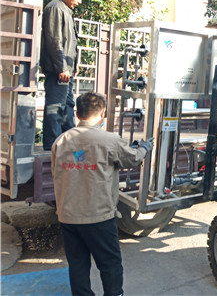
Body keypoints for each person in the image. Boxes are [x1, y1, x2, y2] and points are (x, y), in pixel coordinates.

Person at [51, 92, 154, 296]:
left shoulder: (60, 141)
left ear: (77, 113)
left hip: (68, 216)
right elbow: (132, 159)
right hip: (98, 216)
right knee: (109, 263)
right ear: (102, 114)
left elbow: (57, 173)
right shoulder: (109, 140)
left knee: (77, 264)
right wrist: (144, 148)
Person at [40, 0, 85, 150]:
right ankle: (51, 146)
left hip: (66, 68)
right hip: (58, 69)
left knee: (68, 106)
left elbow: (69, 42)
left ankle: (68, 143)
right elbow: (54, 40)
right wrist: (62, 67)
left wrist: (73, 64)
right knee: (55, 107)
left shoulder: (65, 9)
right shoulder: (55, 8)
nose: (79, 2)